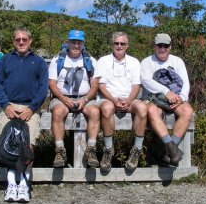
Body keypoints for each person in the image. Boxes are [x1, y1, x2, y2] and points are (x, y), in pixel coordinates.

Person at [0, 27, 48, 203]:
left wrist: (32, 108)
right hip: (8, 106)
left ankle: (24, 182)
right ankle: (11, 182)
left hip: (30, 107)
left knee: (27, 144)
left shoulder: (39, 62)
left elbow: (43, 88)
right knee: (7, 142)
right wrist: (6, 105)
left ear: (30, 41)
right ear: (13, 42)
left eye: (25, 39)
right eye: (18, 39)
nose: (21, 42)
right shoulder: (4, 60)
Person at [49, 29, 100, 168]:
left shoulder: (90, 60)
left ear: (83, 43)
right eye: (73, 42)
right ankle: (59, 150)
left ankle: (91, 150)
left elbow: (95, 85)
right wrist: (64, 99)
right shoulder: (57, 59)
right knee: (58, 111)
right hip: (61, 97)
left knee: (95, 112)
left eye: (79, 42)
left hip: (85, 97)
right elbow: (52, 84)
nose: (76, 46)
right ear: (68, 42)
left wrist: (85, 99)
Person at [97, 32, 147, 172]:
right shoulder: (103, 61)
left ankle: (136, 149)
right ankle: (108, 149)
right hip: (109, 98)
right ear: (112, 44)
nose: (119, 46)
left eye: (122, 44)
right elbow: (101, 86)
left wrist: (129, 100)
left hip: (129, 99)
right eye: (116, 43)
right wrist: (113, 100)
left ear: (127, 45)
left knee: (143, 108)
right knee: (106, 109)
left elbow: (136, 85)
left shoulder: (134, 62)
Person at [140, 33, 193, 166]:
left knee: (187, 111)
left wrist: (182, 98)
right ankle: (171, 151)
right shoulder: (147, 62)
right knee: (152, 111)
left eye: (166, 46)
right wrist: (166, 91)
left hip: (175, 99)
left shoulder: (177, 61)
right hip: (153, 99)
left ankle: (169, 150)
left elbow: (185, 82)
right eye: (159, 45)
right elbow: (146, 81)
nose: (162, 49)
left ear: (170, 46)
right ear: (154, 46)